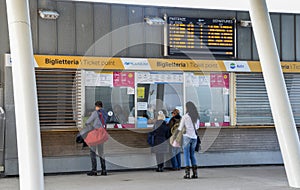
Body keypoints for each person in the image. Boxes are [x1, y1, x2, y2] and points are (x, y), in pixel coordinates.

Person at [85, 101, 108, 176]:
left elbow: (88, 122)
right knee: (101, 152)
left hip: (95, 134)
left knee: (93, 152)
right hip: (102, 134)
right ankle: (104, 170)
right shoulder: (105, 113)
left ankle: (94, 170)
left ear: (96, 106)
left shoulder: (95, 113)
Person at [178, 102, 200, 179]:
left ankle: (187, 174)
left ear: (187, 108)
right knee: (192, 155)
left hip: (186, 137)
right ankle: (195, 173)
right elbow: (197, 127)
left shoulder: (185, 117)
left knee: (186, 155)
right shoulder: (196, 117)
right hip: (194, 138)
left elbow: (180, 128)